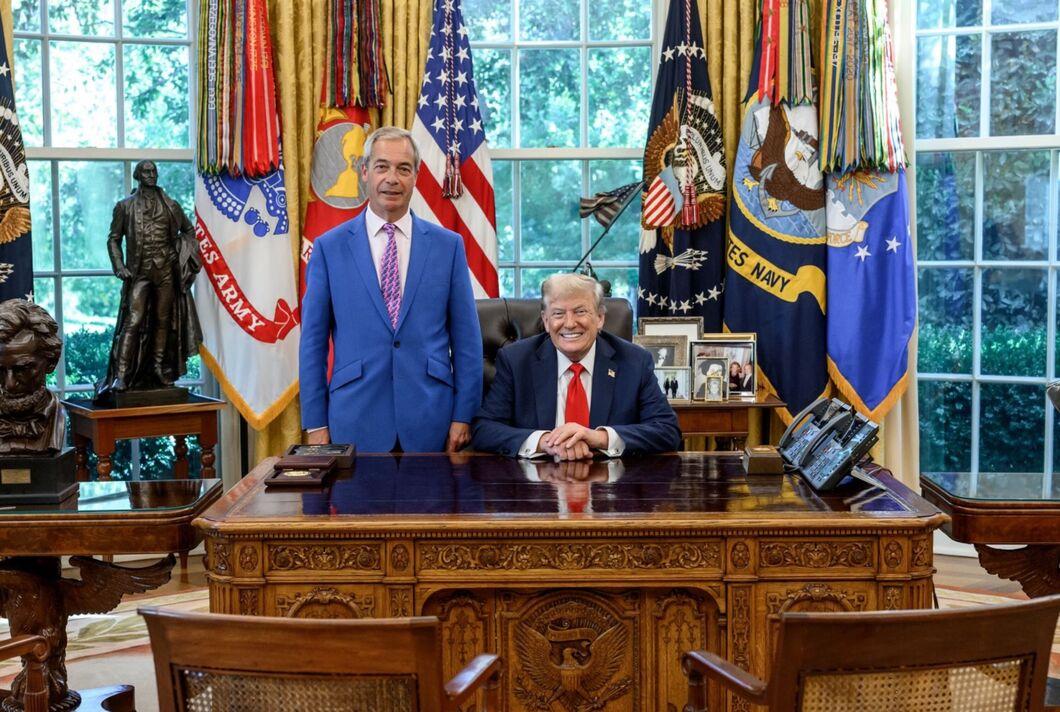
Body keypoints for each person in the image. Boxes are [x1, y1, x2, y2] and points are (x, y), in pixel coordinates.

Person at [300, 127, 482, 452]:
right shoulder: (329, 248)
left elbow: (467, 341)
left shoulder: (448, 247)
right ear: (365, 172)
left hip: (433, 420)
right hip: (354, 420)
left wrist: (463, 416)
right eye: (382, 166)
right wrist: (316, 424)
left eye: (403, 168)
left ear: (416, 175)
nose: (392, 178)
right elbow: (313, 344)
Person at [471, 273, 681, 459]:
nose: (570, 323)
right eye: (558, 314)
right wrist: (545, 442)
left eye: (580, 311)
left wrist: (598, 437)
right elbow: (484, 429)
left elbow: (667, 430)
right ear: (545, 321)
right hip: (537, 489)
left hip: (613, 488)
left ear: (600, 318)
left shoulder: (634, 361)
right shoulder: (516, 361)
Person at [97, 160, 201, 396]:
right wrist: (119, 266)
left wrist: (180, 252)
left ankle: (158, 368)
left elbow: (189, 231)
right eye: (147, 172)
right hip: (139, 273)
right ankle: (121, 376)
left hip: (165, 272)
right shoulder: (125, 206)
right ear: (138, 175)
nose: (151, 175)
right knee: (132, 321)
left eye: (154, 171)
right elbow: (113, 238)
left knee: (163, 321)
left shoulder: (171, 205)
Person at [0, 299, 64, 453]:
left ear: (51, 363)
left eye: (22, 369)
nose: (9, 384)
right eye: (0, 370)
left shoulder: (58, 418)